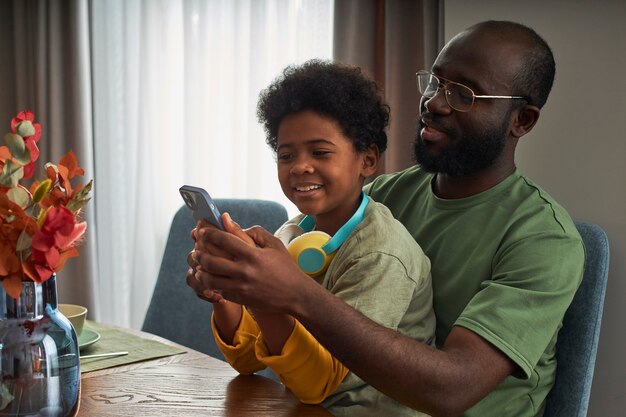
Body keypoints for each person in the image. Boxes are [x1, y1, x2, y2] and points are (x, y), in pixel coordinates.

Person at [188, 21, 585, 417]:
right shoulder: (382, 196)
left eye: (463, 94)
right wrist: (239, 286)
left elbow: (452, 390)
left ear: (523, 120)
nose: (434, 103)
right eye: (434, 82)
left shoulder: (544, 239)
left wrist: (292, 291)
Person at [190, 60, 435, 416]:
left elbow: (318, 383)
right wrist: (225, 295)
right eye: (286, 154)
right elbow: (247, 359)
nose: (300, 166)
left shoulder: (380, 254)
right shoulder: (294, 233)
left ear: (367, 161)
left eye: (320, 152)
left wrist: (264, 297)